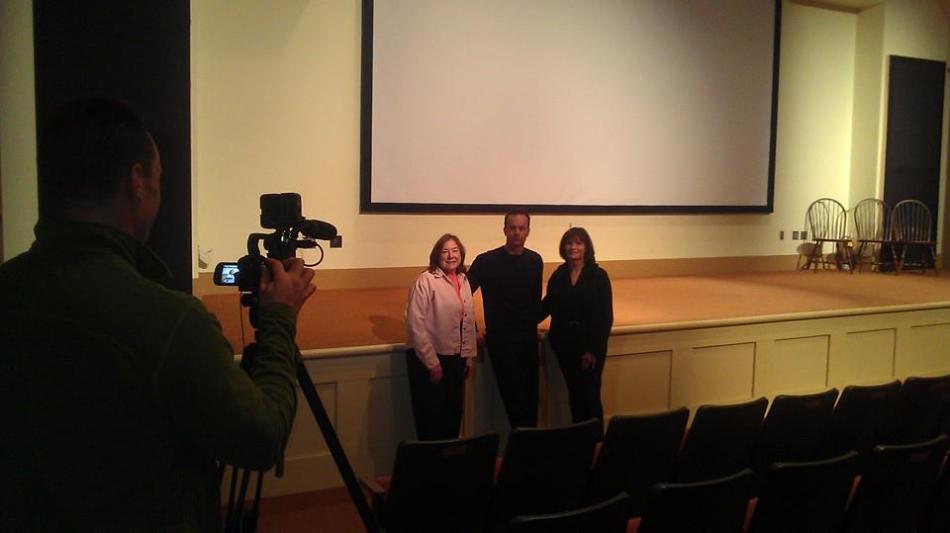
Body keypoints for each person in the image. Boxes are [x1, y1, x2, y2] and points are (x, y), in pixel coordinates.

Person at [0, 98, 315, 531]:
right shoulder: (169, 320)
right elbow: (261, 438)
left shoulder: (12, 287)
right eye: (159, 180)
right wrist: (279, 317)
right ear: (137, 182)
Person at [468, 210, 543, 428]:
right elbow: (461, 296)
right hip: (501, 342)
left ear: (528, 231)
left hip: (528, 341)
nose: (517, 232)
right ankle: (520, 455)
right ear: (505, 230)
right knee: (515, 405)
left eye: (522, 228)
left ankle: (525, 455)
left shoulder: (535, 261)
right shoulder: (486, 261)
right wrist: (471, 329)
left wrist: (534, 327)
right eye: (513, 228)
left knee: (531, 404)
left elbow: (533, 301)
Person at [405, 234, 478, 440]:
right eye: (445, 251)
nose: (451, 255)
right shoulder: (426, 280)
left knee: (452, 420)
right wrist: (432, 363)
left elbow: (468, 320)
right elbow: (415, 324)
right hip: (430, 361)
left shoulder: (464, 280)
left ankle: (448, 470)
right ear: (436, 255)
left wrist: (469, 357)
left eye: (455, 251)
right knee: (431, 424)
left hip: (456, 359)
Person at [541, 227, 613, 434]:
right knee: (575, 397)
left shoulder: (599, 276)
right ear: (563, 247)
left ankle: (596, 446)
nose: (573, 247)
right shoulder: (559, 275)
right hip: (565, 347)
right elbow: (547, 305)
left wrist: (593, 351)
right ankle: (580, 445)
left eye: (578, 243)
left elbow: (605, 318)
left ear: (586, 247)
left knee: (591, 398)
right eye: (569, 243)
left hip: (589, 349)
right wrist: (519, 321)